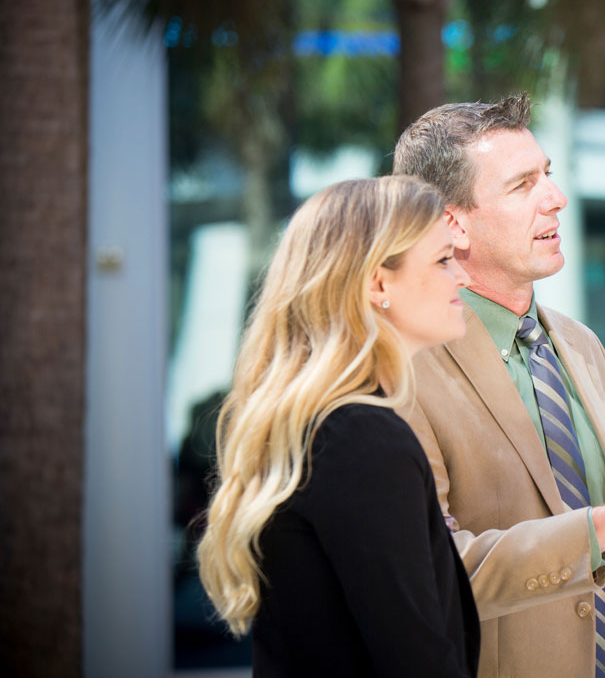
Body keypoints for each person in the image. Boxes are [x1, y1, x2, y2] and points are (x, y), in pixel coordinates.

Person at [392, 94, 605, 678]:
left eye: (547, 174)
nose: (555, 198)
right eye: (522, 185)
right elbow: (430, 574)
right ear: (452, 223)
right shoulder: (404, 365)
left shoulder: (581, 346)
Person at [197, 176, 480, 677]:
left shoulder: (321, 430)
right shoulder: (362, 441)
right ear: (377, 283)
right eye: (442, 260)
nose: (461, 276)